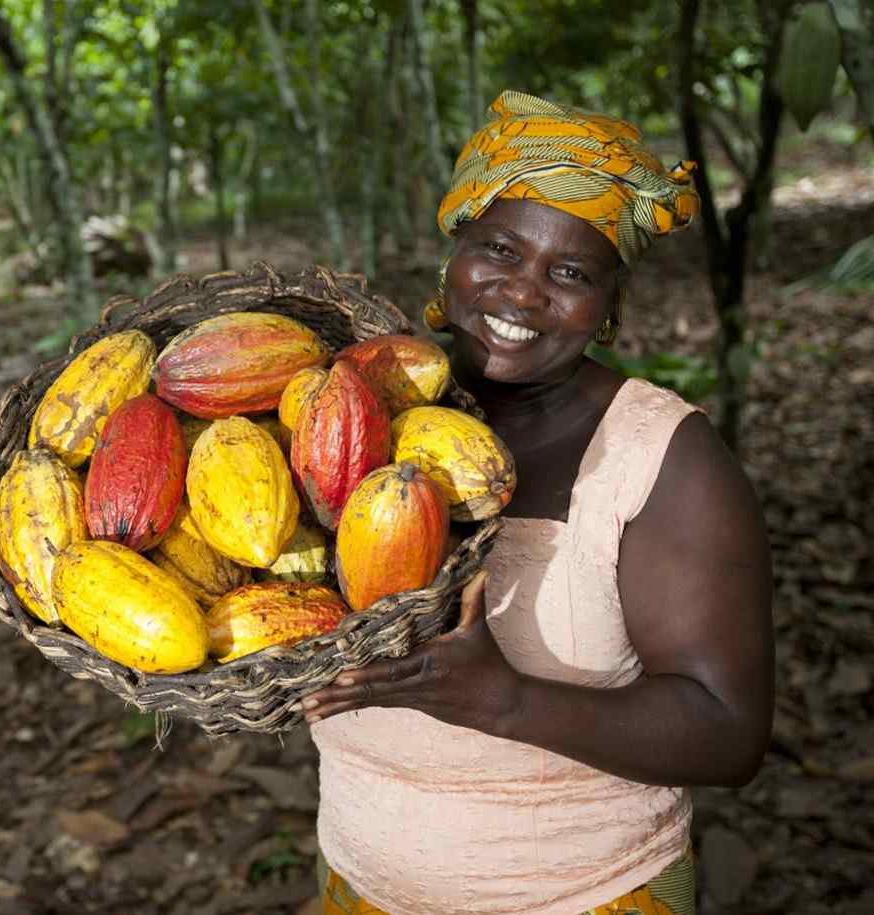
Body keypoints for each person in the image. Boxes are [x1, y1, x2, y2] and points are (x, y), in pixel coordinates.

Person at [301, 91, 774, 915]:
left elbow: (729, 730)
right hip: (357, 879)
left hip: (588, 894)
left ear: (608, 308)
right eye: (499, 248)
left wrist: (505, 699)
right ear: (453, 253)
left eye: (569, 273)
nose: (521, 295)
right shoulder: (352, 407)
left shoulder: (661, 460)